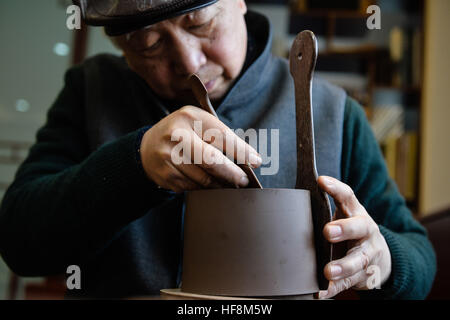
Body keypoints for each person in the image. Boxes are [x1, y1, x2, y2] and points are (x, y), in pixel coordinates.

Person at [0, 0, 435, 299]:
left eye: (201, 23)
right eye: (148, 44)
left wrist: (383, 260)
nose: (188, 62)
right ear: (120, 46)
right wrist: (133, 165)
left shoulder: (332, 112)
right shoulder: (91, 91)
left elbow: (420, 257)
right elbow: (20, 241)